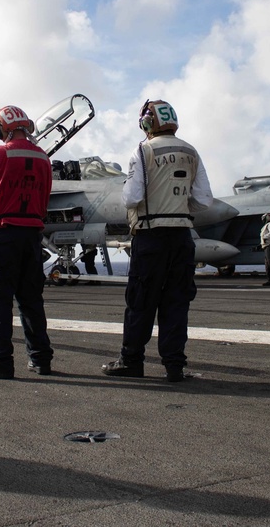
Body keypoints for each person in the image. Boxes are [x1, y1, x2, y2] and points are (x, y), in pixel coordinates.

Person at [101, 99, 212, 383]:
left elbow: (131, 197)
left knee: (140, 301)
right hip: (182, 237)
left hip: (150, 236)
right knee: (177, 302)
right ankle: (174, 367)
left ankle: (131, 361)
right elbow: (203, 200)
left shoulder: (143, 150)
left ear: (148, 123)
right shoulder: (191, 151)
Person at [0, 105, 54, 379]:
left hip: (3, 232)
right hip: (32, 234)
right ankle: (41, 360)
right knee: (31, 299)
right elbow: (46, 192)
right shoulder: (43, 156)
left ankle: (1, 361)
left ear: (2, 127)